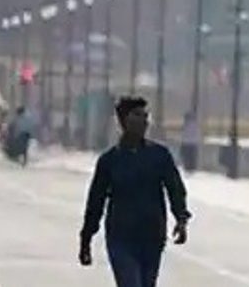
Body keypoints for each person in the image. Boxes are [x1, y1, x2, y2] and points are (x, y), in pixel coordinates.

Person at [79, 96, 190, 287]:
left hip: (152, 236)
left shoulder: (159, 155)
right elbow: (96, 201)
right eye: (137, 116)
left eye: (145, 116)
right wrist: (86, 238)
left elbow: (175, 188)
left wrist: (181, 218)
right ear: (123, 120)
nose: (143, 121)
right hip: (121, 237)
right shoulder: (110, 160)